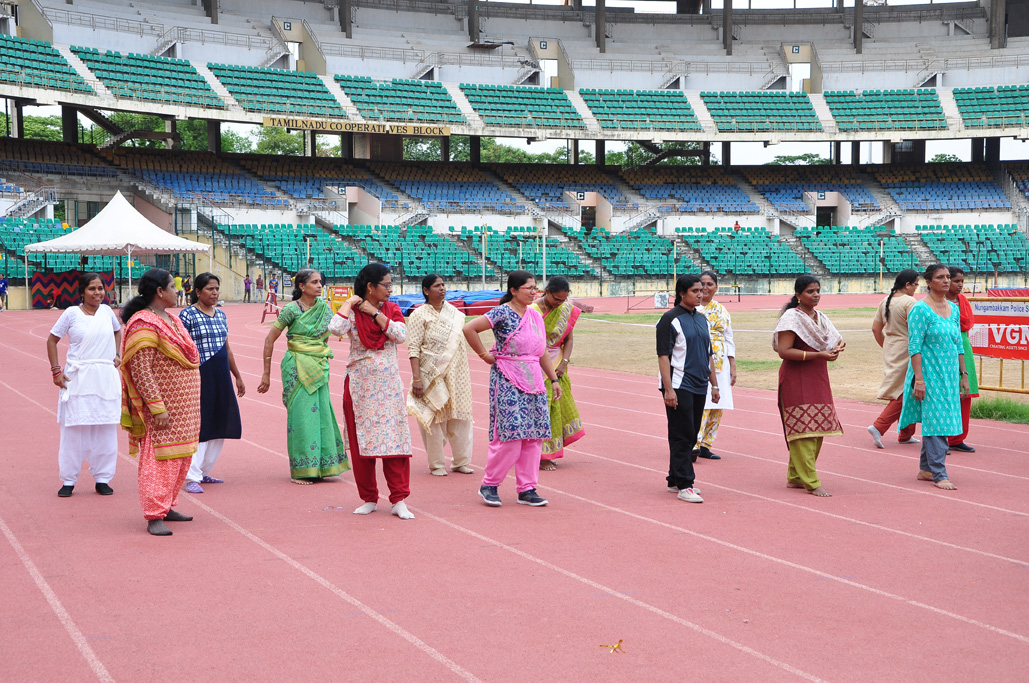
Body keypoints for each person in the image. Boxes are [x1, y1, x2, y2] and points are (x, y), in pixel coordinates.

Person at [463, 270, 562, 508]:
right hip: (507, 377)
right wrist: (484, 355)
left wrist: (554, 380)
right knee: (510, 435)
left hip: (535, 380)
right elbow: (469, 329)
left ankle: (527, 489)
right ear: (514, 290)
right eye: (528, 287)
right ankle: (490, 484)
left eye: (535, 287)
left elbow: (541, 352)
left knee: (533, 436)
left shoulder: (535, 316)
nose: (533, 291)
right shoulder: (502, 312)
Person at [119, 268, 201, 536]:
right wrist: (157, 407)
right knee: (159, 459)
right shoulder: (143, 323)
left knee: (181, 457)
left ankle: (167, 506)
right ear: (160, 292)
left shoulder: (173, 319)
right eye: (173, 287)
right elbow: (141, 370)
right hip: (163, 409)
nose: (178, 292)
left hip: (185, 407)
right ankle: (154, 514)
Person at [328, 263, 414, 519]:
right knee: (361, 442)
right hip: (360, 386)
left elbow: (400, 335)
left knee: (394, 440)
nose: (390, 289)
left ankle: (399, 499)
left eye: (390, 284)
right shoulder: (353, 313)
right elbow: (335, 328)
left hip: (387, 386)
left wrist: (374, 313)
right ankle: (369, 497)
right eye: (386, 284)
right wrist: (350, 303)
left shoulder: (391, 309)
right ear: (370, 287)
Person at [258, 269, 349, 484]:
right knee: (301, 417)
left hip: (318, 366)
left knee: (321, 414)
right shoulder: (291, 310)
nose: (319, 286)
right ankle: (302, 468)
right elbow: (269, 340)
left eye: (320, 282)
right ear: (301, 286)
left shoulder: (324, 309)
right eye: (314, 282)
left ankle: (324, 466)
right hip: (296, 366)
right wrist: (266, 374)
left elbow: (327, 338)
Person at [46, 272, 122, 497]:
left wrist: (117, 353)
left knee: (105, 428)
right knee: (74, 430)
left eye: (100, 288)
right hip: (78, 378)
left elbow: (118, 331)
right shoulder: (71, 313)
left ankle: (103, 478)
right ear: (82, 292)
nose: (97, 292)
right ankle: (69, 480)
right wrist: (55, 370)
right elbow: (52, 340)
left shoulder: (107, 312)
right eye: (92, 288)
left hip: (104, 378)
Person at [772, 275, 845, 498]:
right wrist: (819, 354)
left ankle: (795, 476)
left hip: (818, 375)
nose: (815, 295)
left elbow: (831, 340)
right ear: (798, 295)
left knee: (818, 427)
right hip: (797, 377)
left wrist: (834, 349)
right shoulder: (791, 318)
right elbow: (784, 351)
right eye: (810, 292)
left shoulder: (820, 318)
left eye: (817, 291)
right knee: (802, 429)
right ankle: (811, 481)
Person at [899, 264, 967, 490]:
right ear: (929, 281)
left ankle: (926, 469)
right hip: (929, 373)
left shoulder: (953, 309)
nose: (946, 281)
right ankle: (939, 473)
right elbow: (914, 346)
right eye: (940, 277)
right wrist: (919, 379)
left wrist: (963, 374)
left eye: (948, 277)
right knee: (937, 420)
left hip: (948, 375)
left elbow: (958, 344)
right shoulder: (920, 309)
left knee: (942, 418)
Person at [179, 273, 244, 494]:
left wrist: (237, 376)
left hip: (221, 374)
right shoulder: (187, 316)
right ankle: (191, 477)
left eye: (216, 289)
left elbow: (227, 349)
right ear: (197, 292)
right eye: (209, 289)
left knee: (220, 421)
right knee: (202, 424)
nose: (214, 293)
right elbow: (181, 349)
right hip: (200, 374)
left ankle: (205, 471)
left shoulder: (221, 315)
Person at [657, 274, 719, 504]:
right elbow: (663, 356)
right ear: (682, 293)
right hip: (679, 385)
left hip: (700, 384)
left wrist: (714, 383)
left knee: (691, 433)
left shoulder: (702, 319)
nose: (700, 294)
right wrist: (669, 389)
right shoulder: (669, 320)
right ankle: (685, 484)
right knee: (682, 433)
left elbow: (708, 354)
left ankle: (674, 478)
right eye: (695, 291)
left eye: (702, 291)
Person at [407, 274, 474, 477]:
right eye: (437, 286)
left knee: (460, 417)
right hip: (430, 375)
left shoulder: (454, 313)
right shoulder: (419, 315)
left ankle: (461, 461)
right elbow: (413, 348)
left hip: (457, 373)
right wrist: (417, 378)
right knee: (434, 419)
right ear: (426, 290)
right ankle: (436, 464)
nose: (442, 288)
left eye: (444, 285)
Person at [530, 275, 585, 470]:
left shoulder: (564, 309)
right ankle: (540, 455)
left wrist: (564, 362)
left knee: (557, 408)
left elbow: (568, 339)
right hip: (536, 364)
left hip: (558, 365)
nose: (560, 304)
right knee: (542, 409)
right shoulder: (533, 310)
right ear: (546, 292)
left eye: (564, 300)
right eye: (556, 300)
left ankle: (550, 451)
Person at [868, 269, 921, 449]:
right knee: (904, 391)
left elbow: (876, 329)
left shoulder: (885, 300)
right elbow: (917, 329)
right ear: (907, 285)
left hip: (891, 347)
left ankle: (906, 434)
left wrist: (887, 345)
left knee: (908, 389)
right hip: (907, 349)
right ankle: (879, 426)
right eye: (916, 285)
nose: (916, 289)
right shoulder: (910, 302)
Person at [693, 270, 735, 461]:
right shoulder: (692, 309)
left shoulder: (722, 311)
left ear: (716, 287)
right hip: (699, 361)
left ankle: (706, 445)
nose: (705, 288)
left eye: (710, 284)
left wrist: (732, 366)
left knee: (719, 406)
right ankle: (693, 442)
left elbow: (729, 338)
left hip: (721, 363)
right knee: (702, 405)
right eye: (702, 284)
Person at [946, 266, 979, 453]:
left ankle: (958, 438)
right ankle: (942, 438)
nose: (959, 285)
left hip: (963, 348)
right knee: (946, 394)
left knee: (964, 394)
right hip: (943, 349)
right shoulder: (936, 303)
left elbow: (967, 323)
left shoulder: (963, 301)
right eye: (956, 281)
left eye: (962, 282)